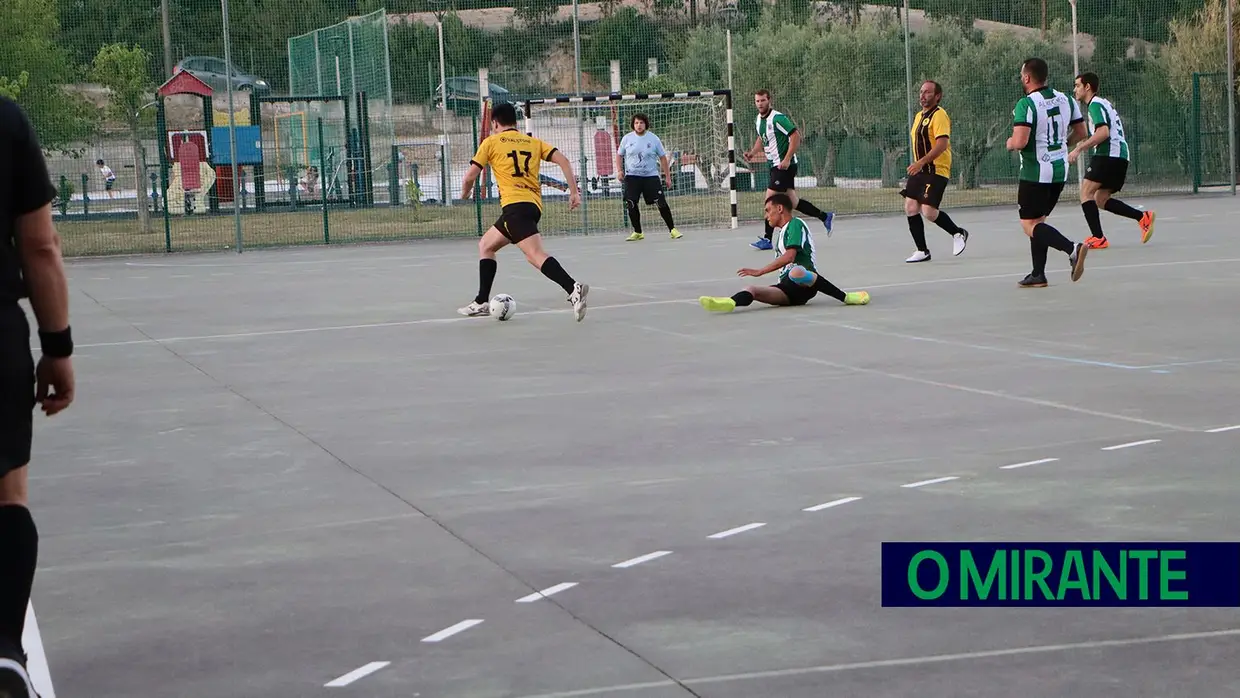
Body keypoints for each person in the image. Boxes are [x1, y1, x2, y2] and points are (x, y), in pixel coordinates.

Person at [0, 96, 75, 697]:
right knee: (8, 494)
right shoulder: (6, 121)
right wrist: (58, 347)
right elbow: (40, 246)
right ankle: (4, 650)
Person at [457, 102, 590, 321]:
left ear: (495, 123)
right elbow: (564, 161)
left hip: (514, 208)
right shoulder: (532, 142)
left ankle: (572, 288)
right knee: (486, 245)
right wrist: (573, 192)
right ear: (515, 122)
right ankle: (482, 301)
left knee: (535, 256)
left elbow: (470, 176)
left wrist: (464, 194)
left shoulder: (491, 142)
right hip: (531, 206)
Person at [700, 193, 869, 312]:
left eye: (768, 210)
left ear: (779, 208)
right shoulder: (781, 233)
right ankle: (729, 302)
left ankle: (845, 297)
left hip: (805, 283)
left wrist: (760, 271)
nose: (766, 216)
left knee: (796, 272)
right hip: (787, 290)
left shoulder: (795, 224)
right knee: (752, 289)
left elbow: (790, 257)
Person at [1006, 58, 1090, 288]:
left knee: (1028, 225)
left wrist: (1010, 143)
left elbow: (1021, 141)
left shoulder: (1027, 104)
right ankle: (1038, 274)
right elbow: (1081, 131)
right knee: (1039, 221)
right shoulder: (1066, 99)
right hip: (1059, 171)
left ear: (1026, 77)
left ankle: (1072, 248)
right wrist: (1062, 144)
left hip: (1035, 173)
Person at [1069, 72, 1155, 249]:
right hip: (1120, 156)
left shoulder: (1095, 105)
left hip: (1109, 155)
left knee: (1086, 193)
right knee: (1100, 198)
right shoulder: (1102, 103)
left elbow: (1103, 133)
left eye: (1077, 85)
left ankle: (1098, 237)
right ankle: (1142, 217)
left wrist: (1078, 148)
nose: (1074, 89)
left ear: (1087, 87)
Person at [745, 89, 833, 250]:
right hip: (774, 166)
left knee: (770, 200)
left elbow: (795, 136)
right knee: (793, 201)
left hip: (785, 166)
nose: (760, 104)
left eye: (763, 100)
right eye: (757, 101)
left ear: (769, 100)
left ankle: (767, 239)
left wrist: (786, 159)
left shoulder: (778, 118)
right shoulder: (758, 120)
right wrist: (752, 153)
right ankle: (825, 216)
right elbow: (761, 137)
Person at [901, 80, 969, 263]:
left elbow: (941, 145)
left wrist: (921, 162)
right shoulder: (918, 116)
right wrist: (918, 165)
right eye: (921, 92)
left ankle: (958, 233)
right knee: (910, 207)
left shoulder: (939, 115)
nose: (923, 95)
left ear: (937, 96)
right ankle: (922, 250)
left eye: (928, 92)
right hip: (920, 169)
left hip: (936, 169)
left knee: (929, 211)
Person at [616, 113, 681, 241]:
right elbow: (619, 155)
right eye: (636, 123)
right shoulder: (627, 139)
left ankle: (673, 229)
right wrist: (619, 170)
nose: (639, 125)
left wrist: (667, 177)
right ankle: (638, 232)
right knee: (631, 203)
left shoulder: (654, 139)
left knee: (661, 202)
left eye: (641, 123)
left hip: (650, 177)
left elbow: (663, 158)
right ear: (633, 125)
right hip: (632, 177)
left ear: (645, 124)